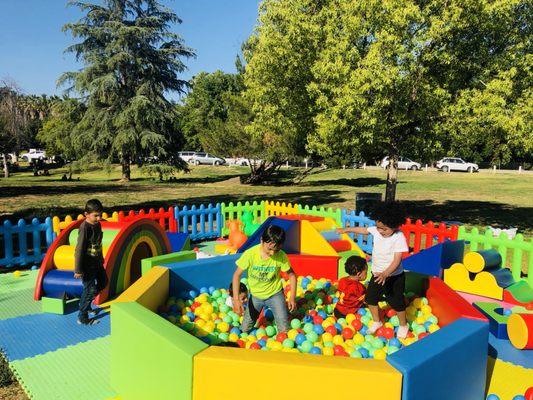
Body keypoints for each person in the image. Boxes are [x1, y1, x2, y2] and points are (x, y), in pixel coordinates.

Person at [337, 202, 409, 338]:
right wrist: (346, 230)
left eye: (384, 229)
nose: (380, 231)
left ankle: (403, 325)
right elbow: (364, 230)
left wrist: (386, 273)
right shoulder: (377, 229)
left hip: (394, 277)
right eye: (378, 227)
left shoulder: (398, 237)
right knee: (370, 299)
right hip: (376, 274)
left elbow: (397, 259)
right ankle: (377, 322)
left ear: (394, 226)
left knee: (396, 302)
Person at [231, 225, 297, 333]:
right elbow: (236, 275)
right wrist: (237, 300)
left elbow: (292, 276)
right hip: (255, 296)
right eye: (269, 249)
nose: (272, 253)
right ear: (261, 240)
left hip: (275, 294)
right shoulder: (250, 254)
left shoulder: (280, 255)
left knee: (284, 330)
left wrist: (292, 297)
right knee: (244, 329)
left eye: (276, 250)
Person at [74, 199, 108, 325]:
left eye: (100, 215)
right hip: (87, 265)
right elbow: (79, 249)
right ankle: (82, 317)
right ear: (86, 214)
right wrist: (78, 269)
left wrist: (101, 259)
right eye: (96, 215)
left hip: (97, 263)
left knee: (104, 282)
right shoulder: (84, 228)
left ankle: (86, 304)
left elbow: (98, 244)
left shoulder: (98, 225)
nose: (99, 218)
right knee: (90, 290)